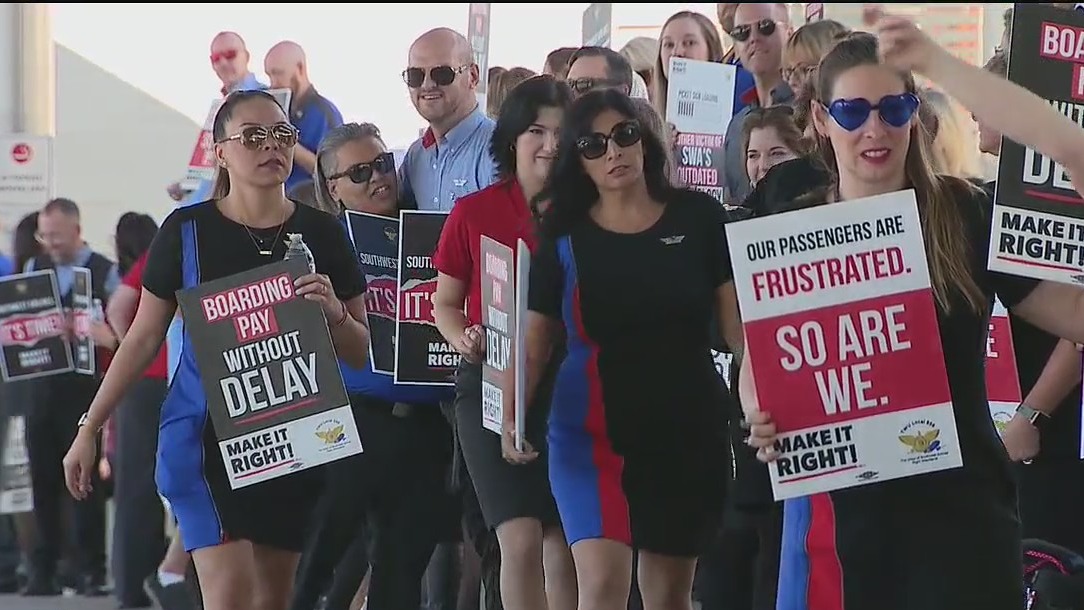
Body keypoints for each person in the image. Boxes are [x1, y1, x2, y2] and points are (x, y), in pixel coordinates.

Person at [743, 9, 1084, 607]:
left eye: (893, 109)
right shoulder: (793, 225)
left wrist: (940, 63)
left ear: (914, 116)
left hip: (962, 517)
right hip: (844, 527)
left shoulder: (965, 213)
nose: (875, 129)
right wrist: (760, 417)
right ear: (822, 121)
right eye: (853, 112)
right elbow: (761, 358)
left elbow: (1071, 314)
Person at [61, 89, 370, 610]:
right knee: (229, 597)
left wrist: (333, 313)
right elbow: (140, 338)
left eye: (281, 135)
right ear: (220, 151)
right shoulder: (187, 231)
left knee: (274, 600)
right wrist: (89, 428)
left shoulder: (322, 231)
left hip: (292, 441)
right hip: (202, 440)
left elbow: (361, 350)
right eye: (252, 136)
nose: (270, 146)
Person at [517, 88, 742, 610]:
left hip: (686, 433)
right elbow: (534, 346)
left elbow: (739, 335)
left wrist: (760, 396)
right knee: (599, 588)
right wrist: (512, 418)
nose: (613, 152)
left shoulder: (700, 217)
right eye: (594, 145)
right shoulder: (562, 237)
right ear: (578, 161)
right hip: (588, 433)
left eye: (624, 135)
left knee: (667, 598)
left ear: (646, 142)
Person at [290, 121, 455, 610]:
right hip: (354, 417)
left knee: (402, 567)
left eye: (383, 163)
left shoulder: (433, 229)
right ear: (333, 188)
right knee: (320, 558)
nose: (378, 178)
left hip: (427, 421)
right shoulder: (320, 242)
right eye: (359, 173)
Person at [432, 75, 577, 610]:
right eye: (536, 130)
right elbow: (443, 305)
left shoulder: (588, 214)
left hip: (568, 382)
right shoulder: (473, 211)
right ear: (512, 138)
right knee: (518, 538)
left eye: (562, 131)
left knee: (563, 539)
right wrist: (462, 337)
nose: (550, 144)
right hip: (491, 382)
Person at [104, 212, 166, 610]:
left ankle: (136, 585)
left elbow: (117, 307)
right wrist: (137, 351)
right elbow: (118, 306)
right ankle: (139, 584)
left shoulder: (167, 250)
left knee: (139, 490)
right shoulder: (171, 250)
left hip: (153, 379)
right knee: (143, 488)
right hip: (156, 379)